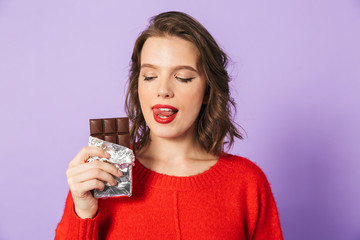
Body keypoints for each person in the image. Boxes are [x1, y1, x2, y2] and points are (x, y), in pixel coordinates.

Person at [55, 11, 283, 240]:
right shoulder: (101, 176)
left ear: (208, 90)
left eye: (183, 77)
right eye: (150, 76)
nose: (163, 90)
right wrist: (84, 212)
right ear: (137, 85)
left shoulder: (247, 183)